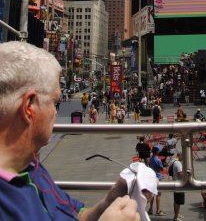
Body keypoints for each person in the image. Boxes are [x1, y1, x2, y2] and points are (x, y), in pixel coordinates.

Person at [0, 41, 139, 221]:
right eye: (54, 101)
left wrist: (107, 203)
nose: (56, 112)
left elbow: (77, 214)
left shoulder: (31, 166)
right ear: (29, 106)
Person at [148, 147, 166, 216]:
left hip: (152, 177)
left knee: (152, 194)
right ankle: (158, 210)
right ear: (156, 152)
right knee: (158, 194)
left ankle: (150, 209)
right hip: (158, 177)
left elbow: (149, 165)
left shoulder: (151, 158)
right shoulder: (158, 160)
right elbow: (162, 169)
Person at [171, 152, 184, 221]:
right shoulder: (178, 163)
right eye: (183, 156)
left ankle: (176, 214)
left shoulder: (173, 161)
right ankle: (176, 217)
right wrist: (186, 174)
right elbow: (180, 174)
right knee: (177, 201)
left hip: (174, 182)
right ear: (179, 155)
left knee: (176, 200)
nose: (183, 158)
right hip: (178, 183)